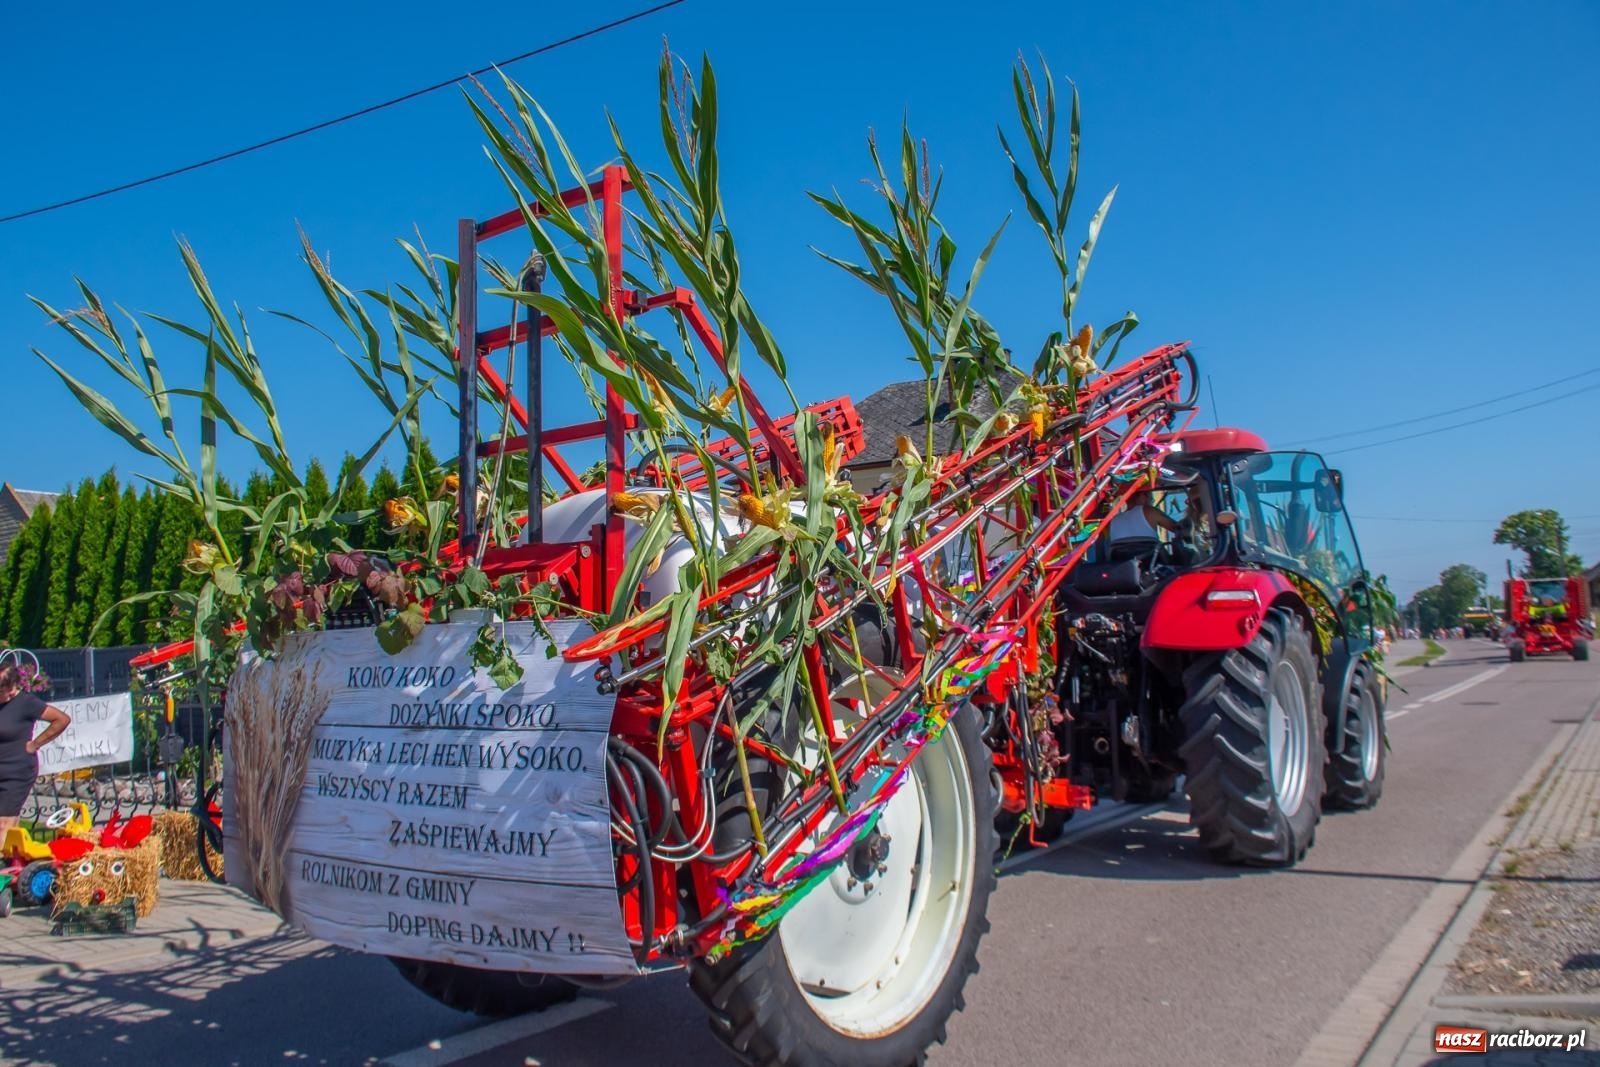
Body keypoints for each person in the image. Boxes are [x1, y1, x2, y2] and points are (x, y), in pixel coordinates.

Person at [0, 663, 71, 834]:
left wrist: (34, 744)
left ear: (11, 687)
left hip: (15, 772)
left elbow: (61, 719)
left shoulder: (26, 703)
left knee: (3, 824)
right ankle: (13, 857)